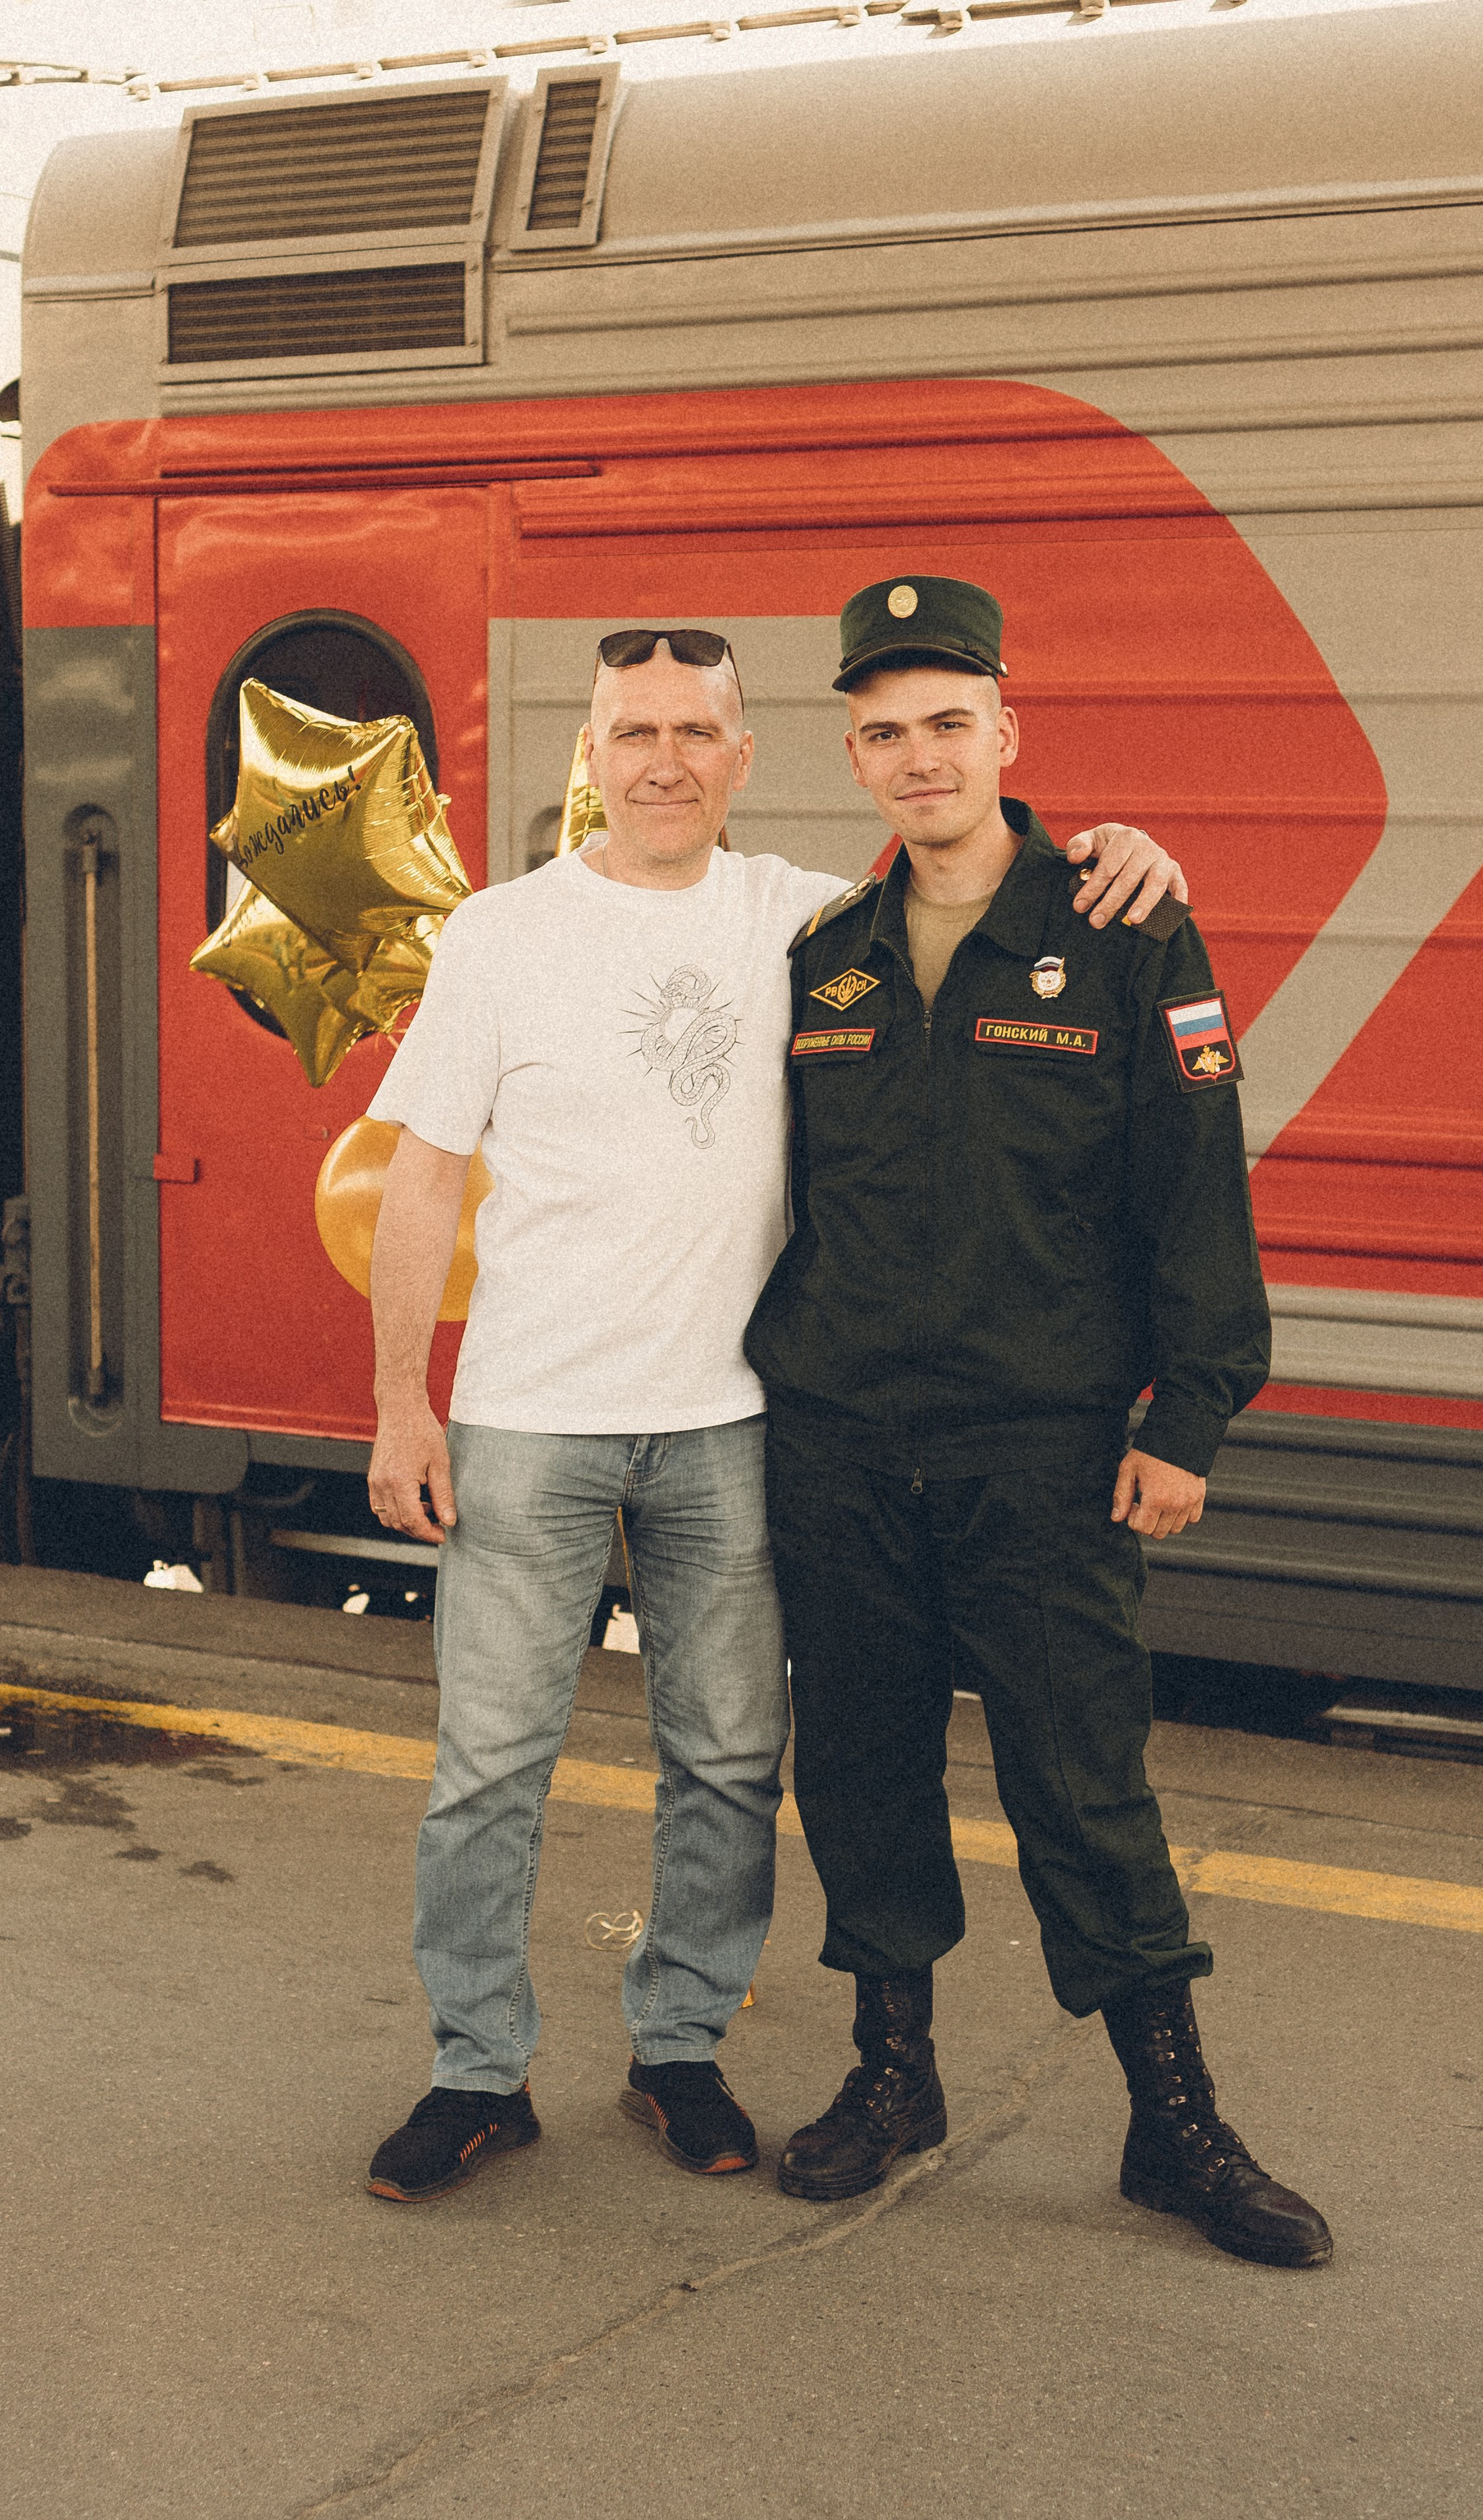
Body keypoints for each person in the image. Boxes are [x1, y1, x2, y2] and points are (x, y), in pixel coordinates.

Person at [362, 623, 1186, 2203]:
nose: (663, 761)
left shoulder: (808, 919)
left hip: (736, 1419)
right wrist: (405, 1402)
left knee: (730, 1762)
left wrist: (1117, 853)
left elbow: (971, 880)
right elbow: (422, 1175)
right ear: (590, 757)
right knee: (487, 1768)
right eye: (632, 732)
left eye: (696, 732)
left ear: (742, 759)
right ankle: (475, 2069)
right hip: (526, 1416)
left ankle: (677, 2049)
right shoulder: (500, 932)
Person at [744, 576, 1331, 2268]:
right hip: (841, 1439)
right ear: (852, 758)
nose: (917, 756)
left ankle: (1172, 2123)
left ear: (1005, 731)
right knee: (860, 1763)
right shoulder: (823, 958)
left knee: (1081, 1780)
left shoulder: (1127, 930)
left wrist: (1187, 1415)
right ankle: (893, 2075)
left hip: (1042, 1446)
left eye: (947, 722)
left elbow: (1193, 1194)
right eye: (883, 732)